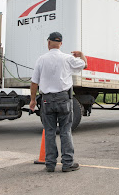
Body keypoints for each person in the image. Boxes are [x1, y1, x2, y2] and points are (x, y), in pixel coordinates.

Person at [29, 32, 87, 173]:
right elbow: (84, 65)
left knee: (49, 132)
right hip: (63, 99)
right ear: (61, 43)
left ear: (48, 43)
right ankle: (67, 164)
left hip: (47, 100)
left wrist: (32, 100)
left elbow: (34, 82)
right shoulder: (67, 58)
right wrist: (82, 54)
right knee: (65, 131)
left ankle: (50, 164)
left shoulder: (41, 59)